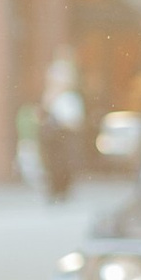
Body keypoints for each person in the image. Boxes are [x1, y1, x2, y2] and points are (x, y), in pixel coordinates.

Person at [37, 49, 93, 199]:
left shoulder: (69, 98)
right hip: (57, 134)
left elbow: (75, 120)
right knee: (55, 163)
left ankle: (61, 189)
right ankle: (56, 189)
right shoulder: (55, 97)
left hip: (65, 133)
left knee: (64, 163)